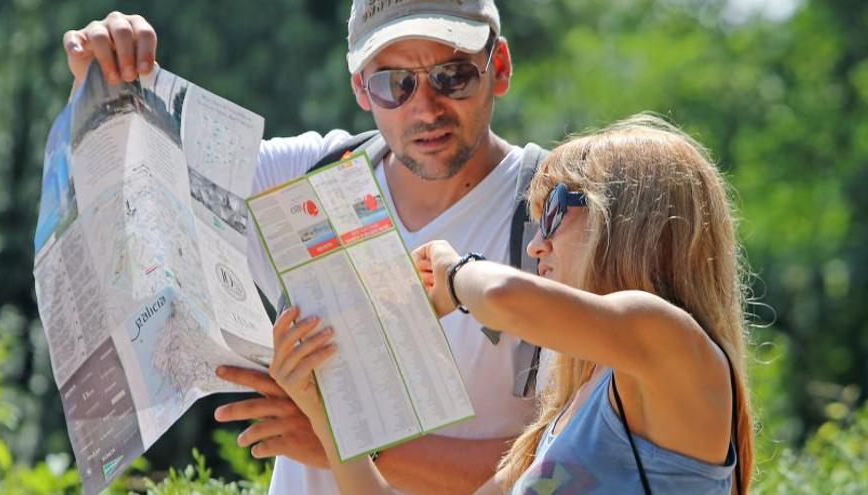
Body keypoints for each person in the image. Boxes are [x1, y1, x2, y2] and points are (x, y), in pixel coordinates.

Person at [63, 2, 544, 494]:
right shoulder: (306, 179)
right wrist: (105, 80)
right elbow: (135, 173)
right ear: (360, 86)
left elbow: (560, 461)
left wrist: (336, 440)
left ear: (499, 67)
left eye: (452, 76)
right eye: (395, 84)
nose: (425, 108)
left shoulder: (553, 222)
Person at [269, 114, 756, 494]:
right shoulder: (573, 406)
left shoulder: (670, 339)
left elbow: (503, 297)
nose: (536, 245)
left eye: (556, 212)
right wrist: (326, 413)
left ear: (634, 222)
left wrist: (453, 270)